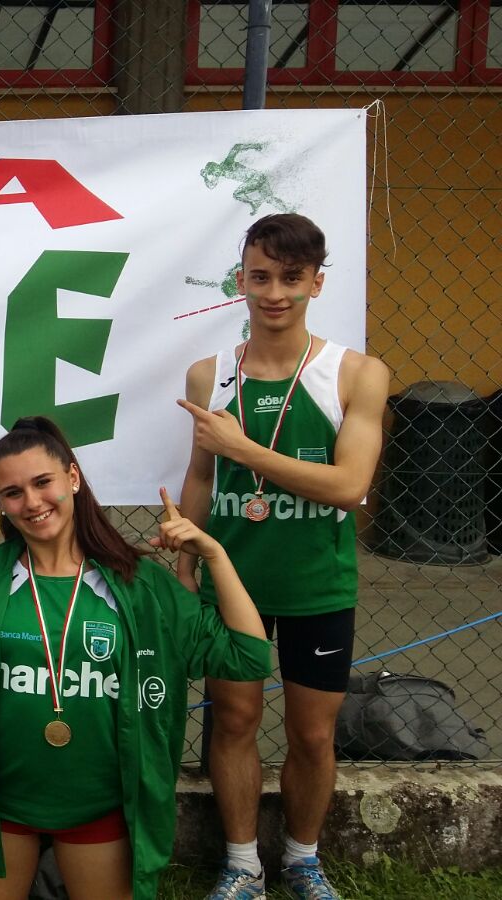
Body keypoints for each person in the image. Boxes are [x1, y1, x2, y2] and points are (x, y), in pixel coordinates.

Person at [0, 416, 271, 900]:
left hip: (101, 804)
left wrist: (215, 554)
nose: (32, 502)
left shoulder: (140, 585)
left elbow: (248, 655)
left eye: (43, 482)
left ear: (72, 478)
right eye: (12, 493)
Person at [173, 213, 390, 900]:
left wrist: (244, 450)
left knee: (312, 734)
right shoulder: (209, 375)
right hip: (232, 582)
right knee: (234, 721)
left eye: (291, 278)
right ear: (240, 280)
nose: (275, 293)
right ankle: (242, 866)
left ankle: (302, 859)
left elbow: (349, 486)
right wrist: (185, 556)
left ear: (316, 283)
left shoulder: (356, 373)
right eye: (260, 277)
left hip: (317, 585)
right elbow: (202, 476)